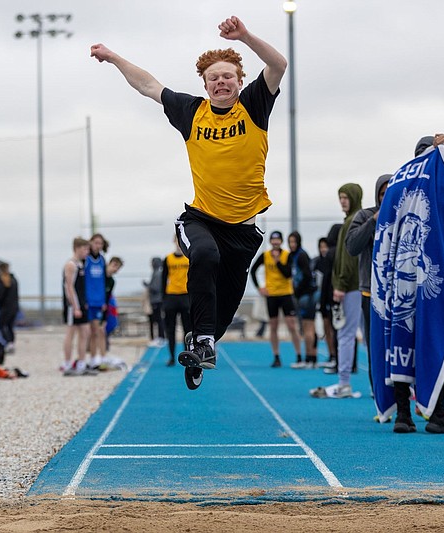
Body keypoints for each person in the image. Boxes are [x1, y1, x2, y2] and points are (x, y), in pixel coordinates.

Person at [91, 16, 286, 374]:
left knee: (222, 313)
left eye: (228, 76)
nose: (221, 82)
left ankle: (200, 347)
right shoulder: (192, 111)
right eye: (214, 78)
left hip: (243, 231)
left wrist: (244, 37)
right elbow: (149, 85)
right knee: (206, 255)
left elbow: (278, 64)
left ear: (240, 81)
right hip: (201, 219)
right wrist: (114, 58)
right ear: (206, 85)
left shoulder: (255, 105)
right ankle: (200, 339)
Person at [372, 134, 444, 434]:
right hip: (424, 276)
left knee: (401, 341)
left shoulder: (397, 184)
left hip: (399, 280)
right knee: (432, 336)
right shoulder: (438, 180)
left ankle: (404, 416)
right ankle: (436, 414)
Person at [345, 174, 390, 392]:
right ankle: (379, 393)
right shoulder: (365, 215)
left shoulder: (406, 214)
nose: (386, 198)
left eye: (390, 193)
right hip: (371, 294)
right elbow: (352, 246)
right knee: (376, 346)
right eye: (382, 194)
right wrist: (374, 221)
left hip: (400, 294)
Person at [328, 183, 364, 398]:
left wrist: (340, 285)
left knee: (346, 334)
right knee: (365, 336)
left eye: (345, 197)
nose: (342, 201)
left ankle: (344, 382)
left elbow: (348, 258)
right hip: (356, 287)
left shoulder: (353, 221)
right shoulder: (352, 220)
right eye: (340, 197)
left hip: (351, 287)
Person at [251, 231, 301, 368]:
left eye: (278, 240)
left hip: (286, 294)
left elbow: (288, 274)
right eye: (273, 240)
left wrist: (278, 261)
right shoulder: (265, 255)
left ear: (281, 241)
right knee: (273, 326)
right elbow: (253, 270)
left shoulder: (287, 255)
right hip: (271, 295)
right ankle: (276, 356)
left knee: (292, 325)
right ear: (270, 242)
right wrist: (259, 287)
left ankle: (299, 355)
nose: (275, 242)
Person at [61, 237, 95, 376]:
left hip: (82, 303)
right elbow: (69, 287)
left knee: (85, 332)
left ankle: (81, 362)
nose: (87, 252)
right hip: (73, 305)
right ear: (77, 248)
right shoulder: (71, 265)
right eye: (85, 249)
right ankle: (67, 363)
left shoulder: (81, 264)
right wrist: (75, 307)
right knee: (71, 332)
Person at [288, 231, 317, 369]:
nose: (291, 245)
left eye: (294, 242)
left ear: (298, 242)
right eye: (290, 242)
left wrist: (298, 291)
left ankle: (310, 358)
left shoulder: (301, 256)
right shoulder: (293, 256)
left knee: (308, 327)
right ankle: (311, 358)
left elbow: (307, 275)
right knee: (307, 327)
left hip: (306, 295)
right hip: (303, 294)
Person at [161, 237, 191, 366]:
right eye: (176, 242)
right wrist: (164, 299)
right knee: (170, 329)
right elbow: (163, 279)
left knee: (188, 329)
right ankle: (172, 357)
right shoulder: (168, 259)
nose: (179, 245)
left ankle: (186, 355)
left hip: (186, 296)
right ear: (174, 242)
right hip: (171, 297)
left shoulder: (189, 257)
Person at [316, 224, 341, 372]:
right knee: (343, 331)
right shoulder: (343, 252)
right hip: (343, 293)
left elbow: (326, 279)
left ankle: (337, 360)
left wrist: (323, 300)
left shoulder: (331, 254)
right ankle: (349, 362)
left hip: (333, 296)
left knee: (336, 329)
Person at [85, 233, 109, 358]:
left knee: (100, 331)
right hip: (89, 301)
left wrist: (104, 300)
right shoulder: (86, 259)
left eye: (100, 243)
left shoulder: (102, 260)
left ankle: (101, 357)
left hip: (99, 301)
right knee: (91, 332)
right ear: (91, 243)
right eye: (95, 242)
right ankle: (92, 357)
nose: (97, 245)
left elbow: (104, 281)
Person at [0, 262, 19, 353]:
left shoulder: (3, 281)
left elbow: (0, 295)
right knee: (10, 326)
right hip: (14, 307)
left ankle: (8, 342)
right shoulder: (14, 280)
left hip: (5, 307)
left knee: (1, 325)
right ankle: (11, 343)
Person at [143, 257, 166, 347]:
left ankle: (161, 337)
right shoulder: (157, 272)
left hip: (157, 300)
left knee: (158, 320)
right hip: (156, 300)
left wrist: (147, 285)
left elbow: (156, 288)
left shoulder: (157, 273)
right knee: (157, 320)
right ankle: (159, 337)